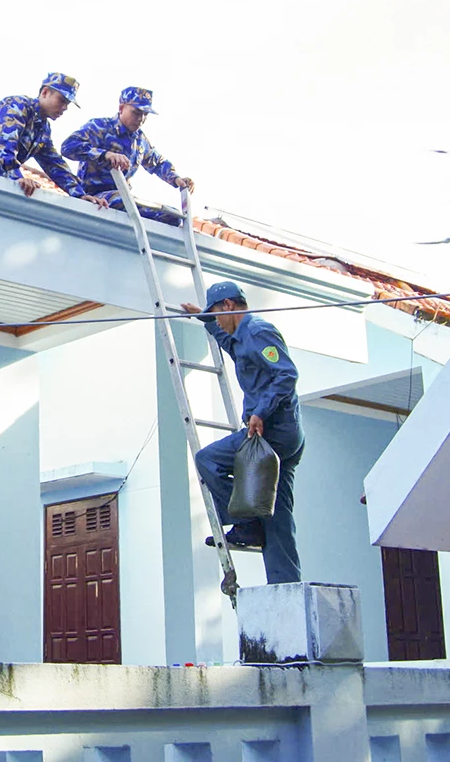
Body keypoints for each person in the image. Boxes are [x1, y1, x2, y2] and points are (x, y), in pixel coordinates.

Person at [181, 280, 304, 584]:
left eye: (217, 313)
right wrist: (205, 320)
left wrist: (260, 412)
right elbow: (226, 339)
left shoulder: (257, 330)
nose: (218, 319)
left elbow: (286, 375)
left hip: (270, 434)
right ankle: (285, 585)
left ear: (229, 306)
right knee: (276, 515)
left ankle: (245, 522)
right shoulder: (241, 335)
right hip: (285, 438)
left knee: (208, 459)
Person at [0, 73, 107, 205]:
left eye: (67, 104)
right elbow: (5, 144)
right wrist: (16, 177)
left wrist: (80, 194)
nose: (64, 108)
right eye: (62, 100)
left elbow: (53, 163)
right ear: (45, 92)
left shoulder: (43, 128)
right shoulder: (17, 105)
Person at [59, 87, 194, 225]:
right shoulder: (100, 127)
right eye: (136, 113)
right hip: (94, 196)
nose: (140, 119)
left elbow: (157, 163)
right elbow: (68, 146)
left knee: (172, 215)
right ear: (121, 108)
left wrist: (176, 178)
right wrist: (105, 154)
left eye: (145, 115)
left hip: (124, 197)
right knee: (125, 202)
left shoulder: (140, 140)